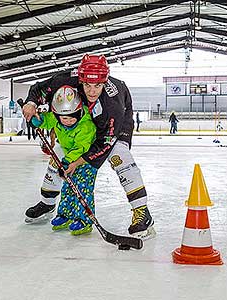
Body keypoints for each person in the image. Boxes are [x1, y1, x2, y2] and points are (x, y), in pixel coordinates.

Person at [22, 54, 155, 239]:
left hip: (113, 125)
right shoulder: (66, 80)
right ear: (81, 79)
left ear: (105, 81)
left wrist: (79, 162)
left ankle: (142, 212)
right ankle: (47, 203)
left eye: (98, 86)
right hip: (80, 123)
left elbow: (104, 142)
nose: (92, 92)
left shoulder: (112, 104)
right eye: (87, 85)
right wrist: (30, 104)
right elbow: (38, 89)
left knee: (121, 159)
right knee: (57, 158)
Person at [30, 85, 97, 235]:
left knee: (82, 188)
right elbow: (48, 120)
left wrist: (68, 161)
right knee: (67, 188)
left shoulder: (86, 126)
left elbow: (81, 148)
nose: (67, 121)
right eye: (63, 118)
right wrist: (39, 121)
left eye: (72, 117)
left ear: (80, 111)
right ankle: (65, 214)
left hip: (84, 160)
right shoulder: (58, 118)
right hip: (68, 159)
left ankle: (84, 219)